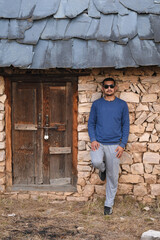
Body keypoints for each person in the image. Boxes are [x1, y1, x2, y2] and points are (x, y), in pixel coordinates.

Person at [88, 78, 129, 215]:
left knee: (113, 176)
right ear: (102, 88)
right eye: (106, 86)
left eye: (111, 86)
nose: (109, 88)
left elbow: (126, 126)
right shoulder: (96, 104)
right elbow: (91, 124)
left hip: (115, 145)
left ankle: (108, 204)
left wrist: (122, 145)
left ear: (115, 88)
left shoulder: (122, 105)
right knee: (96, 161)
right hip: (99, 143)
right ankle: (103, 168)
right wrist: (93, 139)